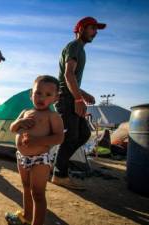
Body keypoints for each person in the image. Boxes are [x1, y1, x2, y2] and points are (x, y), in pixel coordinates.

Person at [51, 17, 106, 189]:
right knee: (71, 137)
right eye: (92, 28)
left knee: (83, 134)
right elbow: (68, 75)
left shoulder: (80, 50)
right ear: (81, 29)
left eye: (96, 29)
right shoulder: (74, 47)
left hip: (71, 96)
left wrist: (83, 93)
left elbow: (69, 78)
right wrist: (78, 99)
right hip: (67, 100)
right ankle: (59, 174)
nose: (95, 32)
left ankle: (60, 168)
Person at [5, 75, 64, 225]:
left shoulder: (53, 116)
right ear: (32, 94)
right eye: (38, 93)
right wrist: (20, 122)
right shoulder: (25, 112)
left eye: (48, 95)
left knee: (37, 193)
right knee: (26, 187)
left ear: (55, 98)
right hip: (22, 157)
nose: (42, 97)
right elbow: (13, 128)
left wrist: (37, 141)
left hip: (40, 158)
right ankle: (26, 216)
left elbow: (59, 138)